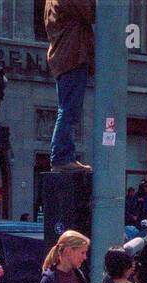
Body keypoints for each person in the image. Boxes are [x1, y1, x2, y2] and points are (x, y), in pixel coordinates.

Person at [44, 0, 94, 172]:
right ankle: (61, 157)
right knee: (68, 111)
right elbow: (91, 12)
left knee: (67, 109)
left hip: (64, 58)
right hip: (72, 57)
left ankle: (66, 156)